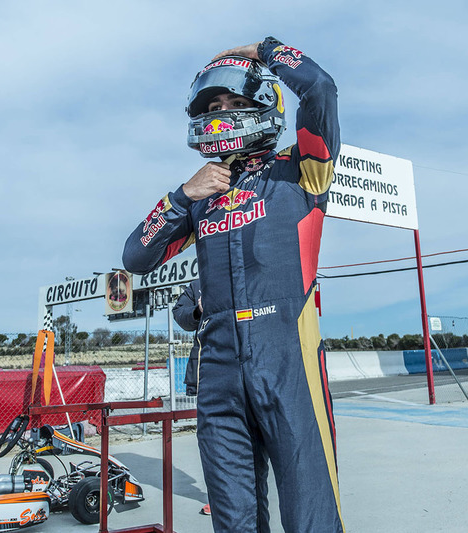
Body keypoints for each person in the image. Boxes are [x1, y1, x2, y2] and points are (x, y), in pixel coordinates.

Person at [122, 36, 342, 533]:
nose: (221, 113)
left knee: (311, 517)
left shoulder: (302, 170)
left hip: (289, 361)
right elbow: (136, 256)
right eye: (212, 106)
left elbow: (321, 89)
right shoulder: (202, 195)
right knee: (234, 520)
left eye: (234, 103)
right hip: (218, 375)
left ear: (263, 105)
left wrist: (266, 49)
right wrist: (182, 195)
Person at [172, 279, 212, 517]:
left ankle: (249, 495)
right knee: (214, 440)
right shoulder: (198, 285)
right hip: (208, 374)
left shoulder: (245, 270)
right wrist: (198, 310)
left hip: (247, 369)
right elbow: (180, 314)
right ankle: (219, 497)